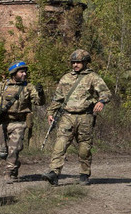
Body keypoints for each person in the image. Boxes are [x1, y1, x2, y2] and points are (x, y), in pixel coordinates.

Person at [42, 49, 112, 186]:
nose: (75, 65)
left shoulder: (93, 77)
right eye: (73, 62)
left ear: (85, 62)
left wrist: (101, 101)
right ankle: (54, 173)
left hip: (85, 117)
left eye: (78, 62)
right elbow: (58, 97)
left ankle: (84, 174)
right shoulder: (66, 78)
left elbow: (106, 92)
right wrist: (51, 112)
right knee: (60, 145)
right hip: (67, 117)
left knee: (84, 148)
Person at [0, 60, 46, 181]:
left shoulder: (28, 87)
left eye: (25, 72)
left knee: (14, 149)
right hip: (3, 122)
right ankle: (14, 165)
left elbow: (39, 102)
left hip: (19, 122)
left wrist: (41, 93)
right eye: (21, 72)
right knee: (3, 152)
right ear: (14, 73)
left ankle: (9, 173)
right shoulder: (3, 86)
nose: (24, 74)